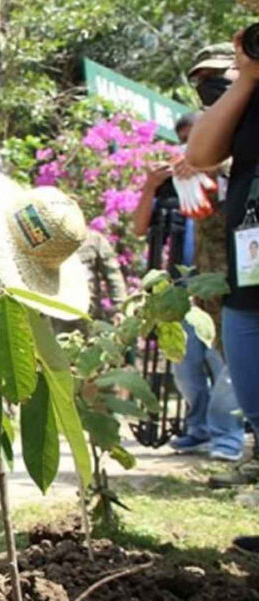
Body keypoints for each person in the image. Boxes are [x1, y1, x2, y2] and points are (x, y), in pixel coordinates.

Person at [134, 110, 244, 462]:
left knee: (227, 364)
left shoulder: (231, 174)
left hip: (223, 287)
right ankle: (198, 429)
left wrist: (209, 168)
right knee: (186, 367)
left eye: (195, 135)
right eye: (182, 137)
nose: (188, 144)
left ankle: (227, 437)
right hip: (182, 291)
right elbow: (139, 228)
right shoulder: (172, 183)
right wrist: (151, 186)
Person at [187, 21, 259, 554]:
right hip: (249, 283)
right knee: (256, 406)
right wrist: (247, 77)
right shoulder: (249, 96)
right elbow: (203, 152)